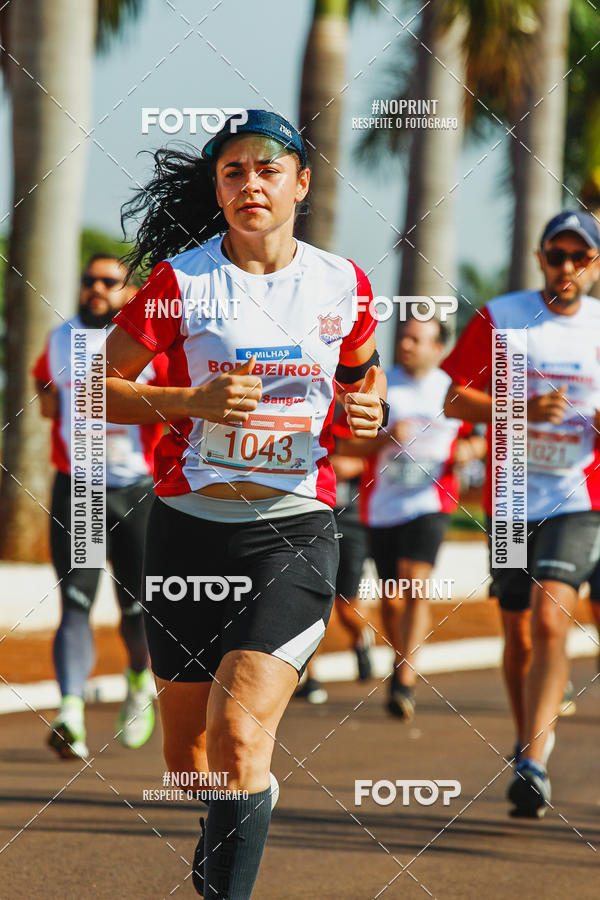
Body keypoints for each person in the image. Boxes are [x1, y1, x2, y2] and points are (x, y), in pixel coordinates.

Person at [103, 109, 387, 898]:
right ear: (218, 189)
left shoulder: (343, 282)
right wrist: (190, 399)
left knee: (238, 740)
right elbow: (95, 390)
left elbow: (366, 378)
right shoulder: (182, 284)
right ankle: (245, 807)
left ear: (301, 182)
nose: (250, 183)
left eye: (268, 169)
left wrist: (370, 408)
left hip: (291, 534)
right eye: (233, 171)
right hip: (188, 537)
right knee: (191, 765)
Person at [441, 210, 600, 817]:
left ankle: (533, 762)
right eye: (555, 255)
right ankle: (527, 737)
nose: (566, 267)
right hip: (510, 499)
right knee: (517, 632)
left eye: (578, 257)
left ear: (593, 266)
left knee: (551, 615)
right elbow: (453, 398)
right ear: (539, 258)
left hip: (580, 495)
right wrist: (522, 407)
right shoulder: (503, 316)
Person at [33, 254, 165, 759]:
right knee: (76, 601)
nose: (96, 288)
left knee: (135, 610)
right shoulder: (60, 338)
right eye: (89, 279)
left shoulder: (148, 345)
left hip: (136, 491)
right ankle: (70, 713)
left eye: (109, 282)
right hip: (80, 488)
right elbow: (44, 387)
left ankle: (137, 680)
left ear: (129, 292)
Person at [338, 315, 478, 721]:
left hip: (431, 502)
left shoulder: (450, 391)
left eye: (418, 339)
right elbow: (350, 448)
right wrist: (384, 436)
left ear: (439, 348)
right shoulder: (381, 385)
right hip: (382, 505)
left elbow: (477, 434)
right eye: (404, 338)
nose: (407, 345)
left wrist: (470, 450)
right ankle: (400, 661)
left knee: (414, 582)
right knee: (393, 596)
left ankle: (404, 677)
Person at [296, 405, 374, 704]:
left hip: (351, 519)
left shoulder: (355, 412)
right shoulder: (301, 404)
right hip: (310, 514)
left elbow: (378, 455)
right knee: (307, 601)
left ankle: (360, 637)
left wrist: (351, 464)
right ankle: (311, 677)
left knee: (345, 604)